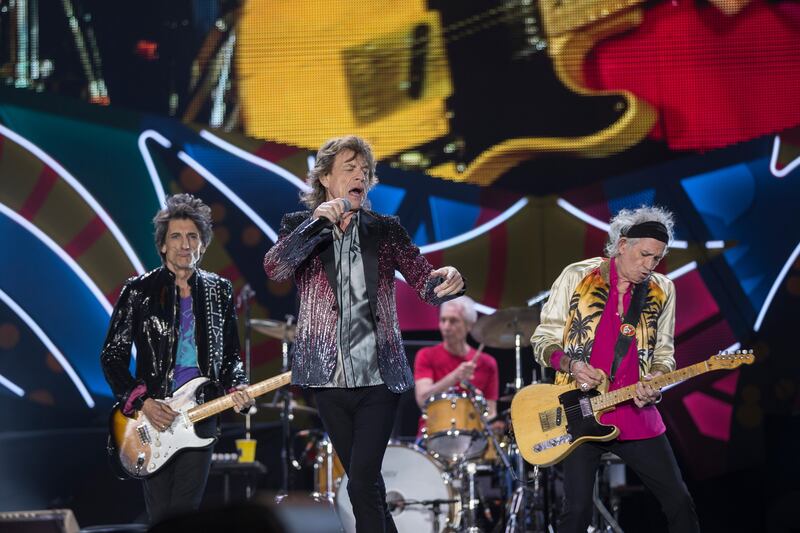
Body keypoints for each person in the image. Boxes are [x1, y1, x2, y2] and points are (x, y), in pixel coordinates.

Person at [263, 135, 465, 533]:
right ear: (324, 178)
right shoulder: (299, 227)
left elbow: (425, 283)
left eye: (364, 170)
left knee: (359, 483)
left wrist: (451, 281)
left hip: (379, 379)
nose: (360, 176)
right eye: (349, 168)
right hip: (327, 380)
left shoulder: (385, 230)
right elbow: (276, 268)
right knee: (367, 485)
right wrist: (317, 223)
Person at [530, 205, 700, 533]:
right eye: (644, 255)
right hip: (580, 411)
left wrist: (656, 378)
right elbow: (543, 339)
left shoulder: (664, 289)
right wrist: (572, 364)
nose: (649, 266)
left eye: (657, 259)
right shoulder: (577, 275)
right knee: (576, 512)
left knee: (679, 501)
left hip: (635, 411)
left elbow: (664, 354)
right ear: (622, 246)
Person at [100, 193, 254, 524]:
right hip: (154, 415)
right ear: (163, 246)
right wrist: (143, 402)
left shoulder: (219, 290)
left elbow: (229, 356)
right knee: (160, 515)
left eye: (192, 237)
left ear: (203, 244)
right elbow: (112, 357)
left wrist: (238, 386)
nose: (185, 244)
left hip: (201, 414)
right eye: (176, 237)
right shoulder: (138, 291)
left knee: (186, 514)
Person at [414, 296, 499, 427]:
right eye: (443, 320)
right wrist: (455, 376)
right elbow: (422, 400)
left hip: (472, 437)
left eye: (453, 321)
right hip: (433, 433)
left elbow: (491, 412)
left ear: (469, 325)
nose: (446, 327)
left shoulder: (487, 363)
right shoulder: (426, 355)